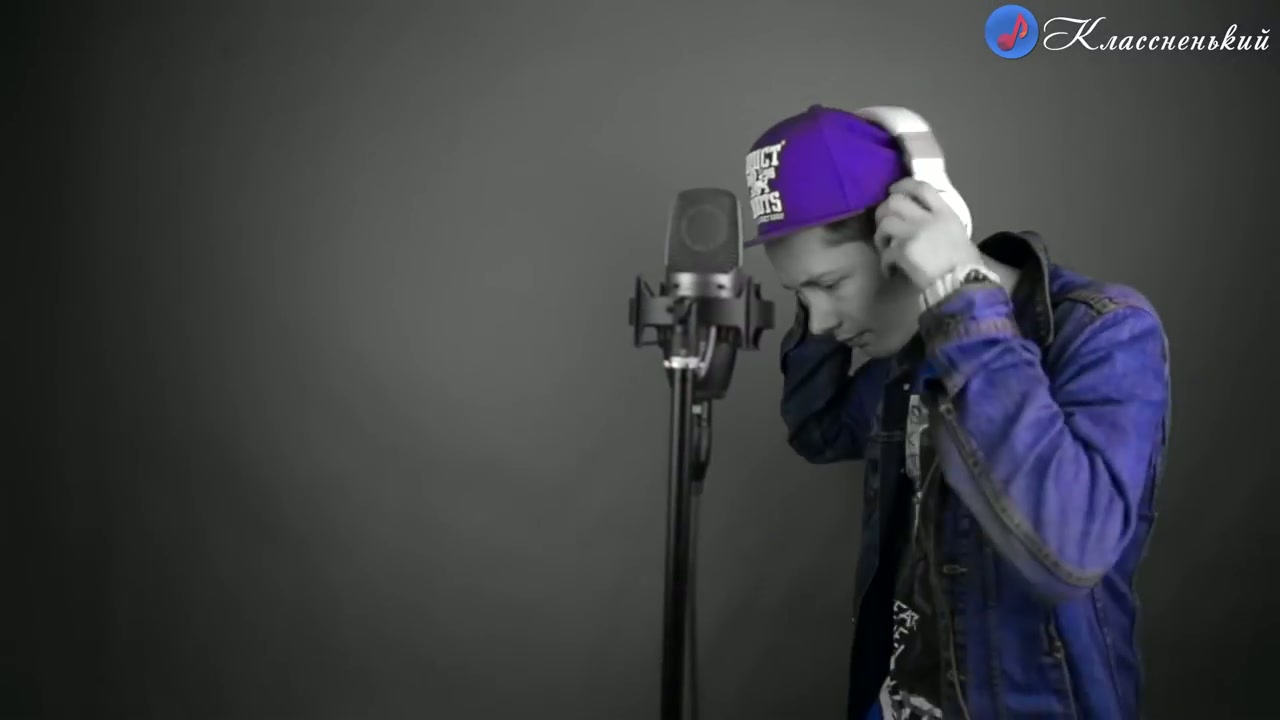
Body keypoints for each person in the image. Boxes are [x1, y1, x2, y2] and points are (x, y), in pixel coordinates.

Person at [741, 104, 1171, 719]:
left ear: (913, 231)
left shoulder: (1107, 332)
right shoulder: (907, 352)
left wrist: (956, 288)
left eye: (831, 285)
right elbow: (819, 429)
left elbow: (1068, 555)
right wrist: (820, 301)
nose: (822, 322)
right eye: (801, 295)